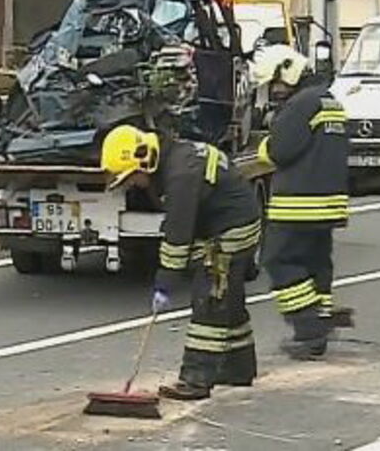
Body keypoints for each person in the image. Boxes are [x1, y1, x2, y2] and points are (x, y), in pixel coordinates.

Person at [101, 124, 262, 400]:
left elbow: (178, 235)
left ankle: (196, 379)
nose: (131, 183)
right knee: (229, 301)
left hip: (232, 229)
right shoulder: (172, 158)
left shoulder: (181, 175)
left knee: (209, 299)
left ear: (145, 161)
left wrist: (164, 283)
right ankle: (238, 368)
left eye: (132, 177)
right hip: (225, 222)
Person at [253, 44, 352, 359]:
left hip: (298, 202)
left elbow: (280, 151)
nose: (275, 92)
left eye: (275, 84)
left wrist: (264, 147)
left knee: (278, 261)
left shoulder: (301, 105)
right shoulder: (329, 101)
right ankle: (320, 323)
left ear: (288, 72)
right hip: (329, 201)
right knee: (316, 262)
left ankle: (308, 328)